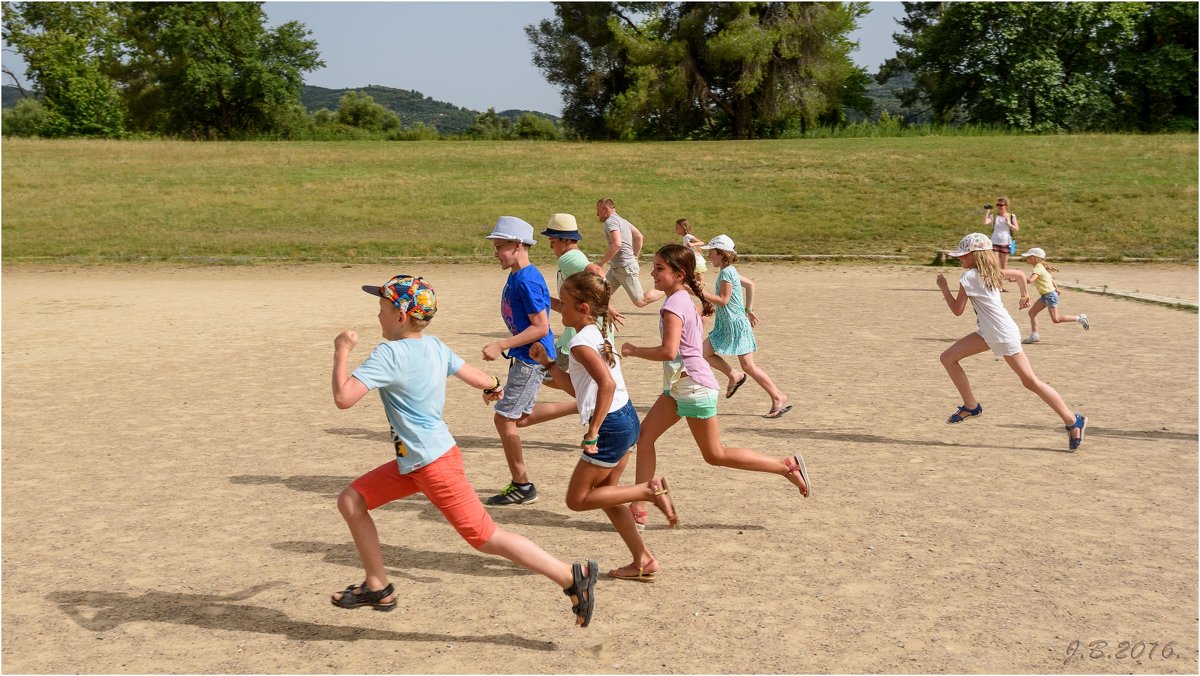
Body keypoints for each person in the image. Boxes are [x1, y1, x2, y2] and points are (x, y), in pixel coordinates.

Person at [328, 273, 597, 626]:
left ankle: (570, 575)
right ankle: (378, 585)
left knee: (485, 537)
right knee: (352, 501)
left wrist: (341, 352)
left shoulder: (388, 354)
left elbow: (343, 398)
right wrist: (495, 386)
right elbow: (479, 376)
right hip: (422, 460)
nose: (378, 315)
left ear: (400, 316)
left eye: (382, 307)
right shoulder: (436, 346)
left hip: (431, 464)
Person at [620, 244, 810, 534]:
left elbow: (669, 351)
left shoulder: (674, 303)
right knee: (644, 439)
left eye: (660, 268)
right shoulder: (682, 298)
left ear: (679, 273)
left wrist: (633, 349)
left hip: (693, 386)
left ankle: (786, 466)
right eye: (654, 267)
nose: (653, 272)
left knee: (715, 454)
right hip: (680, 385)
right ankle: (639, 510)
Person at [528, 271, 676, 582]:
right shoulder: (598, 332)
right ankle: (644, 560)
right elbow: (578, 387)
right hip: (625, 419)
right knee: (608, 496)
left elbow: (605, 385)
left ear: (583, 307)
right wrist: (548, 364)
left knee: (577, 499)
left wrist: (593, 430)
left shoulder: (582, 343)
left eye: (565, 304)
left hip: (610, 426)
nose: (561, 310)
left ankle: (647, 491)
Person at [935, 233, 1087, 451]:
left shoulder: (969, 277)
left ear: (976, 257)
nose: (959, 259)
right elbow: (1018, 274)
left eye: (963, 255)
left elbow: (957, 311)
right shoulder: (992, 273)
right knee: (948, 358)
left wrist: (943, 287)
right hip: (990, 332)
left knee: (1030, 381)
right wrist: (1024, 295)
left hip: (1001, 334)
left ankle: (1073, 420)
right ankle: (971, 405)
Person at [481, 216, 556, 506]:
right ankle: (582, 404)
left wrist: (502, 344)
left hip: (531, 357)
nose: (496, 253)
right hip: (526, 355)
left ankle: (522, 485)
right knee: (518, 417)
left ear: (519, 244)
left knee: (504, 419)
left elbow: (541, 327)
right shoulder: (517, 275)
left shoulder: (525, 279)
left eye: (500, 246)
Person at [697, 235, 791, 418]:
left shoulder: (726, 273)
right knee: (703, 353)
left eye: (712, 253)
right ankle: (735, 376)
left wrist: (700, 292)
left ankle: (778, 396)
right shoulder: (730, 270)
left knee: (748, 366)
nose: (709, 257)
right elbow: (750, 285)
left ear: (721, 254)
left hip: (734, 326)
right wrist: (748, 309)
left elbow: (723, 300)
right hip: (727, 325)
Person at [596, 198, 663, 308]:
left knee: (640, 301)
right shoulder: (623, 221)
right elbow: (639, 237)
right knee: (601, 294)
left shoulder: (610, 222)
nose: (597, 214)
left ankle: (671, 287)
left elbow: (617, 243)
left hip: (624, 267)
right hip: (617, 268)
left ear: (605, 209)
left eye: (598, 211)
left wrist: (601, 263)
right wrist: (635, 257)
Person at [1018, 246, 1090, 344]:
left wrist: (1018, 277)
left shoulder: (1038, 268)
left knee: (1056, 319)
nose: (1026, 258)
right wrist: (1056, 288)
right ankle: (1034, 335)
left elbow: (1030, 280)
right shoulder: (1040, 267)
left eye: (1028, 257)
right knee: (1032, 313)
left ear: (1034, 258)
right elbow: (1050, 278)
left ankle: (1080, 318)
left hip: (1049, 296)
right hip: (1046, 295)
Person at [983, 197, 1020, 268]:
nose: (999, 207)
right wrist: (987, 211)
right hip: (994, 241)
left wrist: (1009, 224)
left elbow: (1016, 228)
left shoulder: (1011, 216)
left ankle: (1003, 278)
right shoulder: (994, 216)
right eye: (997, 205)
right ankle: (996, 278)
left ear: (1006, 206)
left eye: (1001, 205)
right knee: (995, 264)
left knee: (1003, 265)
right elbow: (985, 222)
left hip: (1006, 242)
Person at [675, 218, 708, 285]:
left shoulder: (687, 236)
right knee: (695, 281)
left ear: (683, 228)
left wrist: (693, 244)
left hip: (698, 263)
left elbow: (701, 243)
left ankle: (702, 293)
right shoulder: (685, 237)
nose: (676, 229)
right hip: (692, 262)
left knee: (700, 282)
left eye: (677, 228)